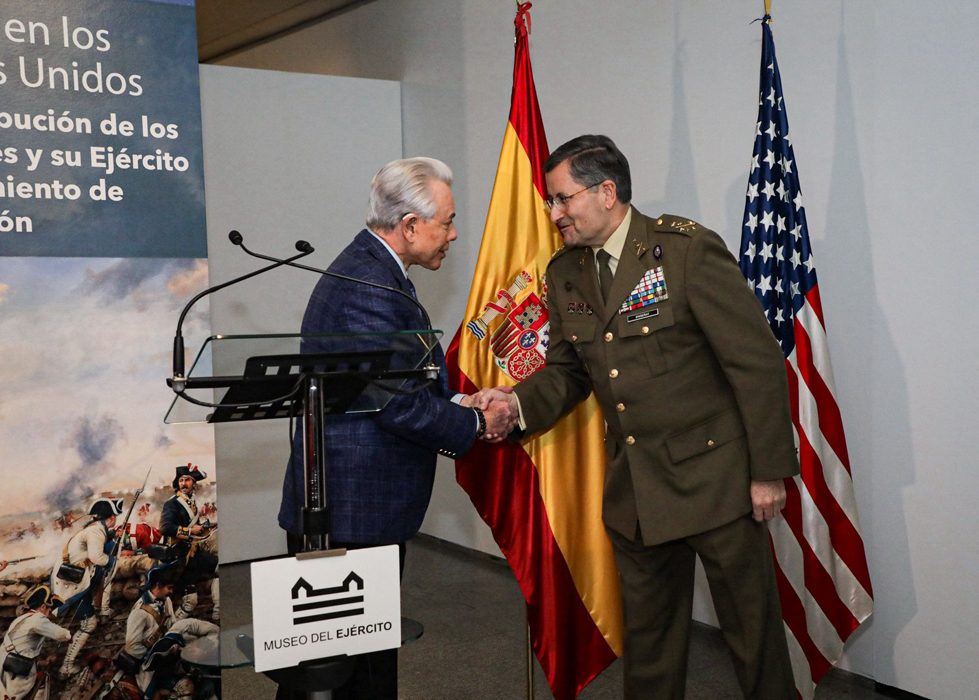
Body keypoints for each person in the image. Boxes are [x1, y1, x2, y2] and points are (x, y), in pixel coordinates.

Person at [477, 135, 799, 700]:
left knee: (753, 639)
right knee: (649, 649)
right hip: (636, 491)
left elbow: (757, 365)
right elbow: (569, 373)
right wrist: (515, 403)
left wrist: (768, 470)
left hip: (717, 483)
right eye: (550, 203)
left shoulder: (684, 251)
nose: (554, 214)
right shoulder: (566, 272)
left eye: (561, 199)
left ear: (606, 192)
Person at [277, 157, 516, 699]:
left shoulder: (379, 271)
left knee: (347, 668)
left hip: (356, 506)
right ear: (409, 225)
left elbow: (395, 383)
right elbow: (396, 406)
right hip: (350, 511)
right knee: (336, 674)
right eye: (448, 221)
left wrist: (458, 398)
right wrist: (477, 421)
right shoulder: (369, 284)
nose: (454, 234)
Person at [120, 567, 218, 700]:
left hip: (170, 650)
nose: (171, 592)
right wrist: (159, 654)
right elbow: (132, 648)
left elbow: (171, 626)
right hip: (151, 665)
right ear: (158, 585)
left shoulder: (166, 601)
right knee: (184, 688)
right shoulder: (139, 613)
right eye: (169, 588)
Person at [52, 496, 123, 678]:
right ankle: (66, 666)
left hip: (74, 580)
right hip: (72, 584)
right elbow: (98, 557)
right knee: (89, 624)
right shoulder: (96, 531)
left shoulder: (94, 528)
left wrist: (113, 535)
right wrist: (113, 561)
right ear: (112, 517)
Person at [159, 464, 219, 621]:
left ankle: (218, 611)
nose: (183, 484)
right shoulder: (172, 503)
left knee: (219, 566)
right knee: (190, 601)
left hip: (192, 552)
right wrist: (190, 531)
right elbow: (165, 528)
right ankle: (174, 625)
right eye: (181, 480)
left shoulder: (192, 502)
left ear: (194, 484)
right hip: (178, 555)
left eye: (187, 480)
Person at [0, 586, 71, 699]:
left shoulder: (20, 619)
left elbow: (21, 650)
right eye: (49, 610)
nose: (49, 614)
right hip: (13, 668)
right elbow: (60, 634)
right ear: (43, 607)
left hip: (5, 663)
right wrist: (69, 636)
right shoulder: (38, 618)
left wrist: (42, 663)